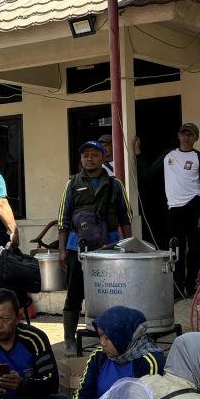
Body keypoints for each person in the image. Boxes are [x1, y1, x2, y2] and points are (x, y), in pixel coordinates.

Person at [58, 139, 133, 354]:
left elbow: (125, 218)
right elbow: (63, 218)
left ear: (103, 158)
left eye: (94, 155)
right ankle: (69, 340)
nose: (89, 159)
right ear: (81, 160)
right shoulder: (72, 183)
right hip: (77, 247)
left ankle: (110, 337)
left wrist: (130, 246)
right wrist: (62, 249)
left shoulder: (115, 184)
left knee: (109, 292)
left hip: (109, 246)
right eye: (85, 155)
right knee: (74, 292)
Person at [61, 306, 165, 399]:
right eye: (100, 336)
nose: (102, 343)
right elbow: (84, 392)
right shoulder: (99, 356)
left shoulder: (149, 362)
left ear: (122, 336)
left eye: (107, 337)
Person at [136, 123, 200, 295]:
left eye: (190, 134)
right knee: (175, 248)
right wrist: (138, 153)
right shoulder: (168, 155)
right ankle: (177, 285)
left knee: (194, 248)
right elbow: (148, 172)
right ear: (178, 136)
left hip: (195, 205)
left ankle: (190, 284)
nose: (186, 137)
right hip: (174, 208)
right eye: (183, 134)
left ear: (196, 137)